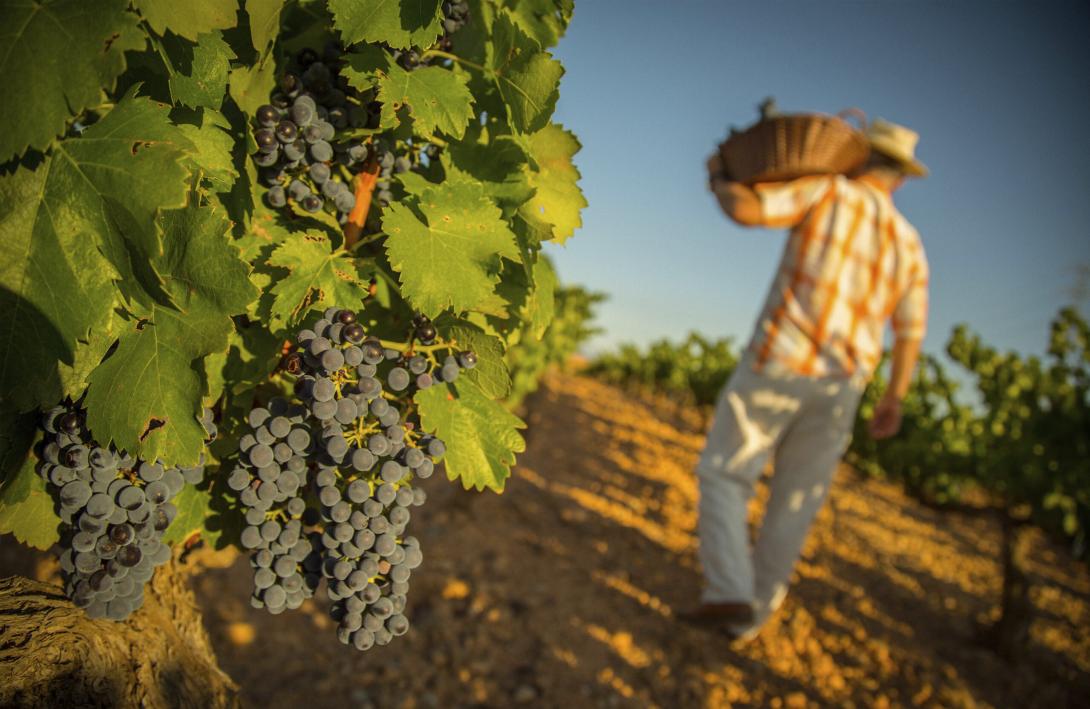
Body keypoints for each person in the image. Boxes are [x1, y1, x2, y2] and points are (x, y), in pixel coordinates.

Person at [681, 118, 931, 641]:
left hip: (781, 360)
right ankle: (749, 621)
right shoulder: (910, 245)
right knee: (796, 502)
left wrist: (718, 180)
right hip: (844, 386)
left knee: (725, 474)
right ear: (901, 179)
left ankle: (728, 588)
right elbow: (909, 333)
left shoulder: (830, 191)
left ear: (858, 157)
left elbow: (749, 210)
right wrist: (895, 396)